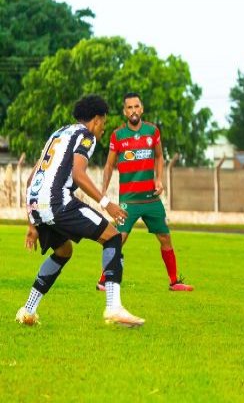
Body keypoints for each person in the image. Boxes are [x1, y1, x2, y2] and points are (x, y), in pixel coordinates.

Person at [16, 95, 144, 327]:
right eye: (103, 124)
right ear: (96, 120)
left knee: (64, 251)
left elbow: (30, 179)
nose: (103, 129)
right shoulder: (86, 136)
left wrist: (32, 223)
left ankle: (28, 310)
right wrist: (107, 204)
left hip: (37, 204)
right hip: (58, 203)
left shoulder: (59, 134)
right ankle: (114, 307)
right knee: (113, 236)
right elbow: (78, 174)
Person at [96, 92, 193, 291]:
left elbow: (159, 157)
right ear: (124, 112)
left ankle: (174, 282)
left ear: (142, 109)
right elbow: (108, 165)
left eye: (136, 106)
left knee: (165, 237)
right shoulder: (118, 135)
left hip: (151, 199)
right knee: (118, 238)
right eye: (129, 107)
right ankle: (103, 281)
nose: (133, 111)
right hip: (128, 201)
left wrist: (159, 179)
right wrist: (103, 191)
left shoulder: (152, 131)